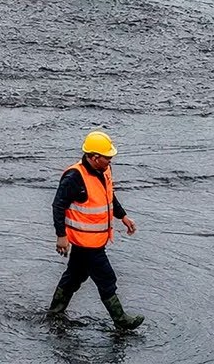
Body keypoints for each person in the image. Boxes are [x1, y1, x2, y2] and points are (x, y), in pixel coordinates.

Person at [48, 130, 143, 329]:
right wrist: (61, 236)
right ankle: (121, 320)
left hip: (95, 240)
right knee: (106, 277)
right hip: (86, 243)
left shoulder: (104, 171)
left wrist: (123, 216)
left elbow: (109, 198)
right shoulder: (74, 177)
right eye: (107, 158)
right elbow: (58, 205)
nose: (111, 161)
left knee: (74, 276)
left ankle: (54, 312)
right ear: (94, 157)